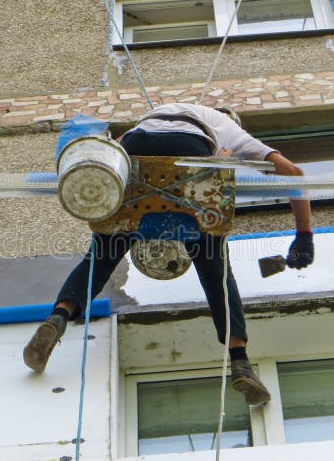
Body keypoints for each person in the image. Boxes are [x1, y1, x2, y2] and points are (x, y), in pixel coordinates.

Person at [23, 103, 315, 405]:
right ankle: (239, 359)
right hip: (190, 149)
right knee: (216, 270)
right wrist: (304, 236)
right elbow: (293, 174)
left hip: (135, 149)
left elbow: (113, 151)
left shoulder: (152, 118)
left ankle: (58, 317)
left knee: (103, 255)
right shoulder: (226, 127)